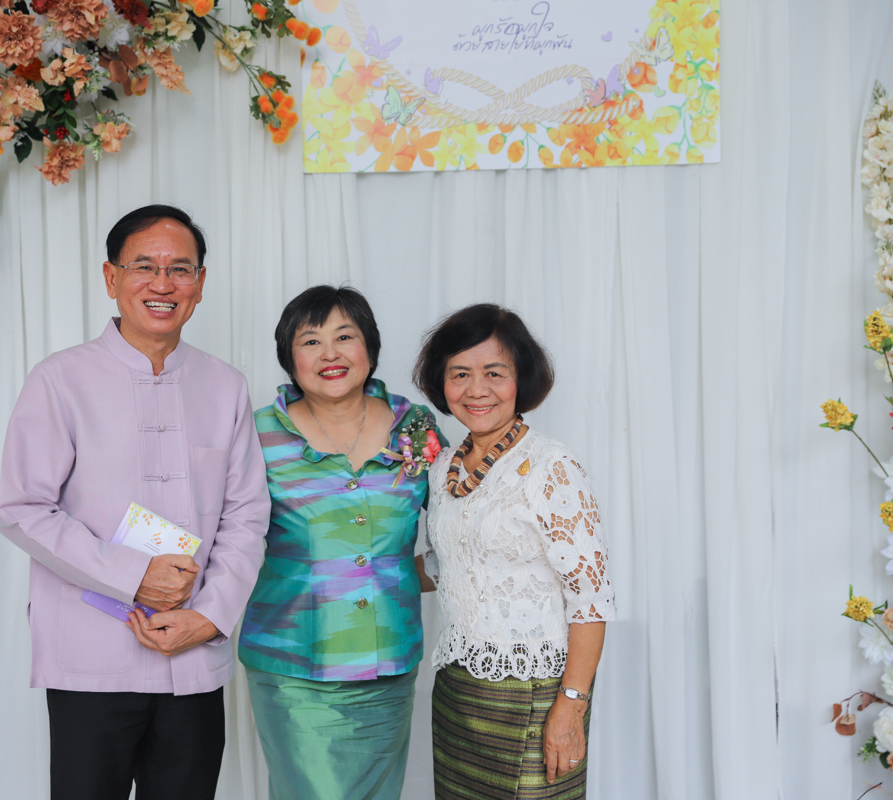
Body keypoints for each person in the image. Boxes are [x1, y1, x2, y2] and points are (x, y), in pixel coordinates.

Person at [0, 205, 270, 800]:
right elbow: (22, 509)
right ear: (111, 277)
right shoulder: (59, 379)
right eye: (144, 266)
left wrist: (211, 616)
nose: (162, 283)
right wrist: (134, 576)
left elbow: (247, 515)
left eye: (180, 269)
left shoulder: (225, 385)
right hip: (91, 653)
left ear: (200, 282)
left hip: (194, 653)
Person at [239, 285, 446, 800]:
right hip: (293, 668)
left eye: (345, 337)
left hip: (389, 665)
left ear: (370, 347)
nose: (329, 354)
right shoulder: (257, 434)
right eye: (310, 341)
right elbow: (219, 533)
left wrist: (409, 575)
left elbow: (462, 529)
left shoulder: (416, 427)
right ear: (289, 357)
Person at [413, 304, 615, 800]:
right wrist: (359, 573)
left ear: (520, 379)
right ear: (442, 382)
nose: (476, 389)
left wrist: (572, 705)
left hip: (535, 693)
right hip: (459, 691)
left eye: (494, 373)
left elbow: (591, 600)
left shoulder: (551, 466)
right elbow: (449, 565)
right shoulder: (444, 468)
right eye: (460, 374)